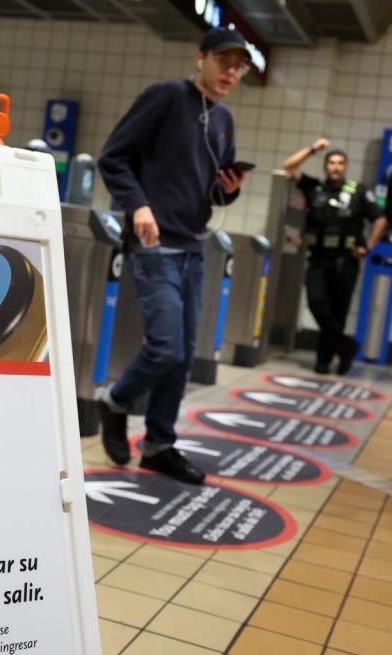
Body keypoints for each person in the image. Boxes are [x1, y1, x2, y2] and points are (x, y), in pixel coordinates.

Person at [94, 27, 249, 484]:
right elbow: (113, 158)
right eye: (224, 61)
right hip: (154, 243)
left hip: (192, 246)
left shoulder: (223, 121)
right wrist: (138, 205)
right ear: (200, 57)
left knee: (181, 357)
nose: (231, 72)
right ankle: (117, 401)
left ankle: (160, 445)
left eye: (239, 66)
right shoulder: (165, 97)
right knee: (166, 346)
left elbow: (212, 190)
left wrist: (227, 191)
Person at [282, 141, 387, 374]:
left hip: (346, 261)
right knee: (316, 304)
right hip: (318, 259)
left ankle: (324, 361)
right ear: (325, 166)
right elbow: (289, 166)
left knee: (337, 312)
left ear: (346, 166)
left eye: (340, 163)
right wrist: (312, 149)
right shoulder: (315, 188)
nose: (336, 167)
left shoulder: (359, 191)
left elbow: (380, 219)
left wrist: (368, 246)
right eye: (331, 162)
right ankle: (346, 346)